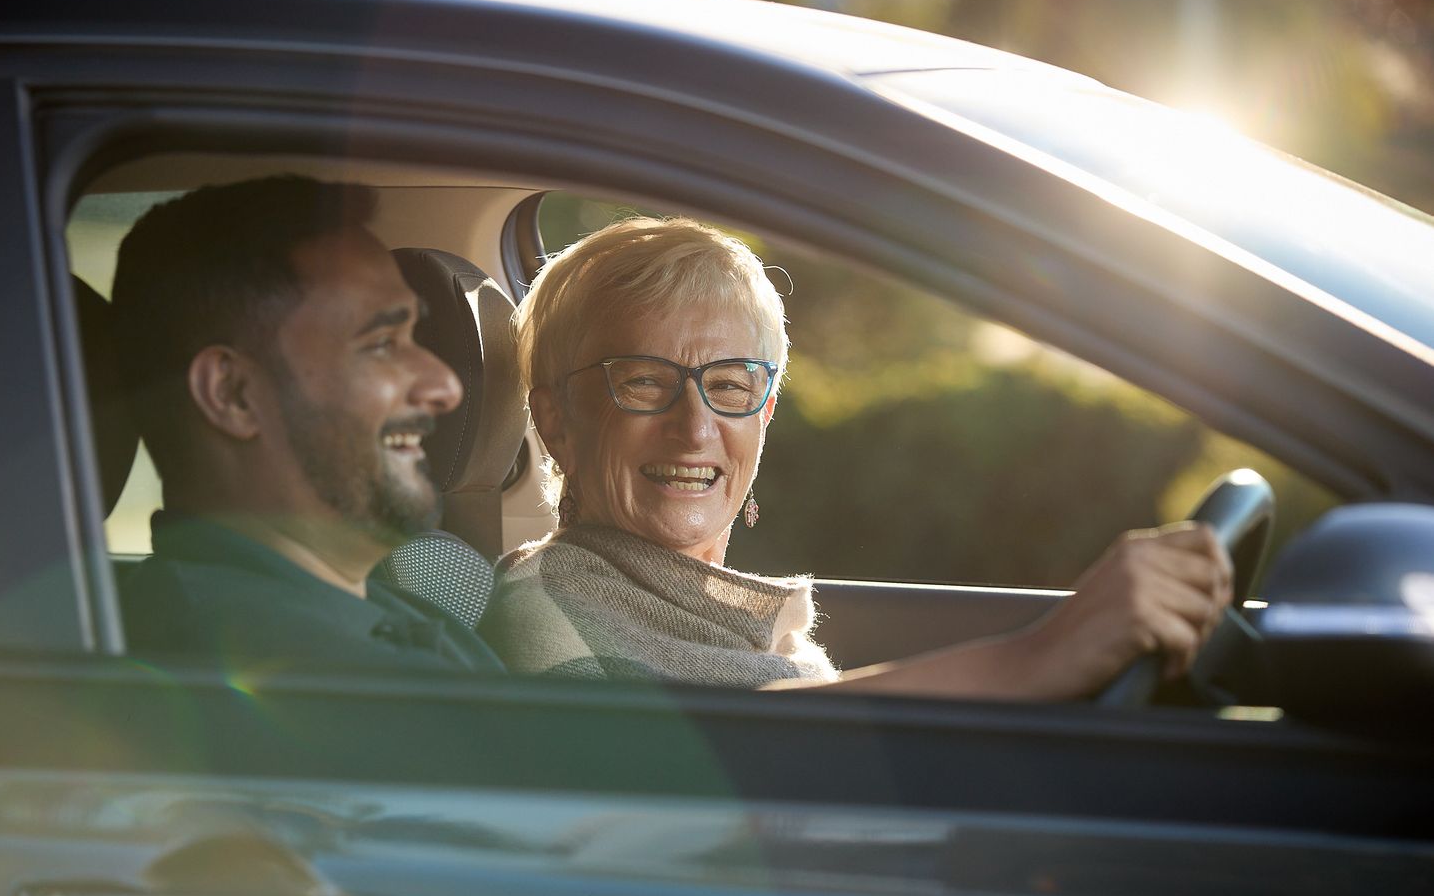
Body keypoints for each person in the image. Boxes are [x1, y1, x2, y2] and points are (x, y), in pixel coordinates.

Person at [479, 217, 1233, 699]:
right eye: (644, 383)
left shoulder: (704, 613)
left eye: (730, 385)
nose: (695, 427)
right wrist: (1034, 662)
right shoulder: (543, 612)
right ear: (557, 421)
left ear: (765, 415)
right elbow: (674, 778)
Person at [109, 175, 500, 673]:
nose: (446, 386)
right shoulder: (285, 670)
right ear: (233, 394)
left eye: (413, 336)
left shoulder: (386, 614)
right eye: (381, 343)